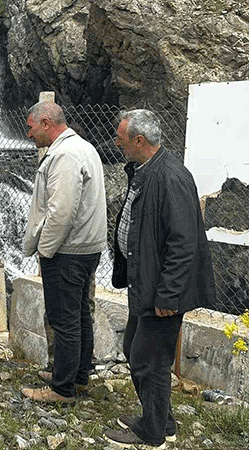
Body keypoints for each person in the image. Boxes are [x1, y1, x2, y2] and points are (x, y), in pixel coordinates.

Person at [103, 110, 215, 448]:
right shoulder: (144, 170)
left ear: (139, 141)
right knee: (136, 349)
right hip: (146, 284)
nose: (117, 144)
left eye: (121, 139)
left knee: (148, 359)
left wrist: (167, 295)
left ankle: (152, 433)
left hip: (162, 292)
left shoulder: (171, 177)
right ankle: (161, 421)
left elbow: (184, 244)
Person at [21, 101, 107, 403]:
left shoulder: (64, 155)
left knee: (64, 319)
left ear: (46, 122)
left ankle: (62, 389)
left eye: (30, 127)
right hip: (86, 249)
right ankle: (77, 376)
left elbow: (61, 212)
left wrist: (45, 251)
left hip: (67, 252)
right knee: (81, 315)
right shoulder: (84, 148)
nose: (29, 135)